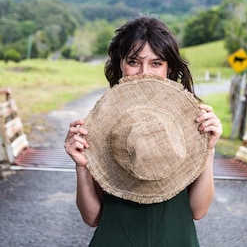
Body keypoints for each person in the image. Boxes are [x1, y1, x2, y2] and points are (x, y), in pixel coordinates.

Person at [64, 15, 223, 246]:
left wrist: (208, 150)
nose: (144, 72)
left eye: (156, 63)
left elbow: (198, 211)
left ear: (169, 69)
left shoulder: (192, 122)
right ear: (120, 64)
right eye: (134, 62)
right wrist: (81, 166)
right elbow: (92, 217)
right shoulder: (102, 125)